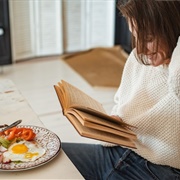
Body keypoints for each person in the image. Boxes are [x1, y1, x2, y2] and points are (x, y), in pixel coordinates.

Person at [62, 0, 180, 179]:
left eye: (148, 39)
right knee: (47, 156)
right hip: (114, 154)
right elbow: (121, 101)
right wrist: (113, 122)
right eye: (135, 36)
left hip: (156, 171)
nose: (140, 48)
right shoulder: (136, 58)